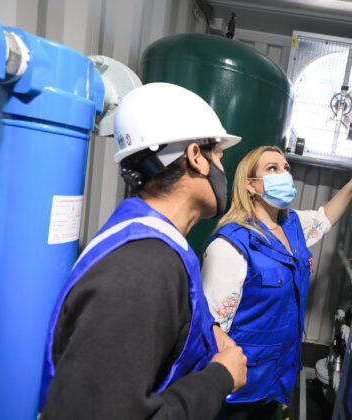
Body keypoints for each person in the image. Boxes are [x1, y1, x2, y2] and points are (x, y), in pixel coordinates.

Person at [39, 83, 247, 420]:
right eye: (219, 155)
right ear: (196, 156)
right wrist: (220, 377)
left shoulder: (152, 242)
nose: (223, 168)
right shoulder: (143, 267)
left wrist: (208, 332)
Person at [201, 145, 352, 419]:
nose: (284, 175)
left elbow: (325, 217)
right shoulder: (230, 246)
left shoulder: (292, 225)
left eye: (286, 168)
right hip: (242, 382)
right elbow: (210, 328)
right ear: (250, 184)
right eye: (272, 168)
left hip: (281, 373)